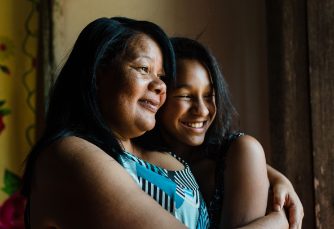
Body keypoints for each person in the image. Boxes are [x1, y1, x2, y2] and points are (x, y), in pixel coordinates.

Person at [21, 17, 209, 228]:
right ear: (98, 72)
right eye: (144, 69)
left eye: (161, 76)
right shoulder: (68, 153)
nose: (160, 86)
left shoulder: (159, 151)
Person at [134, 37, 303, 229]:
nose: (202, 110)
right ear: (158, 95)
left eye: (208, 96)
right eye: (186, 96)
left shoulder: (240, 152)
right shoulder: (139, 163)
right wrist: (277, 222)